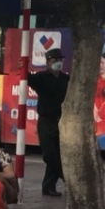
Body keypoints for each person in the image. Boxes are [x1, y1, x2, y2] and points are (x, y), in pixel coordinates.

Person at [26, 48, 68, 197]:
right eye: (54, 60)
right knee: (49, 155)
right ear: (48, 62)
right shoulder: (41, 78)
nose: (58, 63)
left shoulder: (65, 79)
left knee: (58, 153)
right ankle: (67, 180)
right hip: (46, 121)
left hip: (62, 121)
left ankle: (48, 187)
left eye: (60, 60)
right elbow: (27, 79)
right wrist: (23, 66)